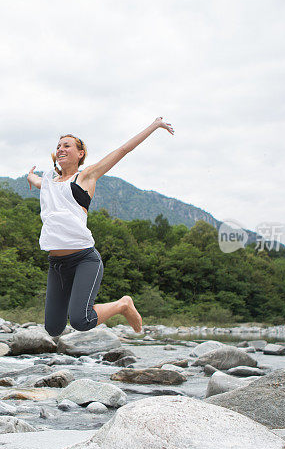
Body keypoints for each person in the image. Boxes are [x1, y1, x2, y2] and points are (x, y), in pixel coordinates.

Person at [27, 116, 175, 337]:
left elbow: (123, 150)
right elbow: (37, 180)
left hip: (83, 259)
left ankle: (123, 304)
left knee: (81, 320)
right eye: (58, 146)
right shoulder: (48, 180)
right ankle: (115, 306)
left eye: (67, 145)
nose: (61, 149)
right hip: (56, 263)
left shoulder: (86, 177)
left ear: (80, 154)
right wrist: (30, 176)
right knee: (53, 328)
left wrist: (154, 126)